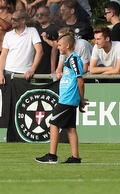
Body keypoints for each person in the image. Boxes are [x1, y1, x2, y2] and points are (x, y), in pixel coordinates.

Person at [36, 33, 86, 164]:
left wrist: (81, 99)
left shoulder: (74, 59)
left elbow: (80, 81)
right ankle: (75, 158)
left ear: (67, 45)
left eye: (59, 45)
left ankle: (52, 156)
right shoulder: (68, 60)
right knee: (70, 128)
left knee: (53, 123)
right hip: (68, 98)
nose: (58, 47)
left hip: (68, 99)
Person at [0, 9, 43, 83]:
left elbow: (40, 51)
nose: (12, 21)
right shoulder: (8, 35)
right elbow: (3, 55)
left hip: (25, 73)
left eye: (15, 19)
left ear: (23, 20)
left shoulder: (32, 31)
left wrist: (32, 70)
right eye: (11, 19)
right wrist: (0, 73)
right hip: (8, 71)